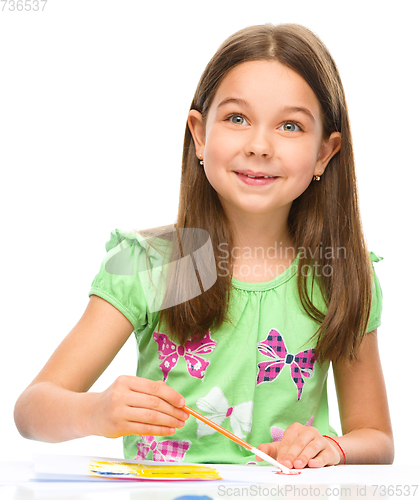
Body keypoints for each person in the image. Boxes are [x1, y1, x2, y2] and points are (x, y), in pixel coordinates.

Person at [14, 23, 394, 469]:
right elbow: (32, 410)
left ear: (325, 154)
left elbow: (377, 437)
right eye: (237, 118)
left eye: (290, 126)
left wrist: (334, 447)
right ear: (199, 134)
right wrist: (96, 412)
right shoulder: (147, 264)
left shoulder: (341, 274)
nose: (259, 145)